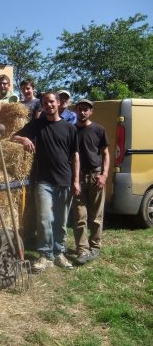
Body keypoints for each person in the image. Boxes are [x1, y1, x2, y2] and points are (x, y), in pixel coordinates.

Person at [12, 91, 80, 272]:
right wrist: (25, 138)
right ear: (42, 106)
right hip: (43, 180)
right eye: (45, 103)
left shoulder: (69, 128)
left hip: (64, 180)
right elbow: (13, 137)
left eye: (51, 102)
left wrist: (76, 181)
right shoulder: (37, 125)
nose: (49, 105)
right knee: (44, 218)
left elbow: (75, 156)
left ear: (58, 103)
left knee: (61, 220)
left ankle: (59, 253)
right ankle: (45, 255)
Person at [72, 99, 109, 265]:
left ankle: (95, 247)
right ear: (76, 111)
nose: (82, 112)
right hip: (78, 178)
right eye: (80, 109)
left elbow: (106, 154)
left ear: (91, 112)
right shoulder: (71, 130)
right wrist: (74, 180)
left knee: (96, 216)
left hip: (96, 177)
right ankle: (82, 249)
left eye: (86, 110)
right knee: (80, 216)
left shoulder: (99, 129)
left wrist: (104, 175)